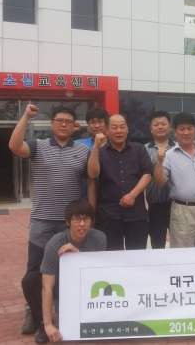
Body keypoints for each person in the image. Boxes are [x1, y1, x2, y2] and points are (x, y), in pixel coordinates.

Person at [9, 105, 93, 336]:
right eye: (59, 120)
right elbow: (15, 146)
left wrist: (89, 215)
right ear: (52, 123)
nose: (63, 124)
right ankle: (33, 313)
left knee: (69, 268)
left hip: (70, 223)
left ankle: (64, 311)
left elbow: (90, 182)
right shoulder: (39, 146)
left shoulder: (83, 151)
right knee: (35, 272)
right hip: (42, 221)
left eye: (68, 121)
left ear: (74, 126)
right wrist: (26, 116)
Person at [23, 200, 106, 344]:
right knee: (30, 280)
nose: (82, 224)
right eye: (77, 219)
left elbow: (98, 273)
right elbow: (47, 286)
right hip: (61, 286)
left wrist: (78, 254)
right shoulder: (54, 244)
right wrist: (48, 324)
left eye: (86, 219)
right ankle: (43, 324)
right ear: (68, 222)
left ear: (91, 221)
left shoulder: (99, 238)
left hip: (87, 287)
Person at [87, 114, 153, 250]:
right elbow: (93, 173)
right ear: (107, 130)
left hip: (136, 214)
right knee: (111, 257)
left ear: (127, 129)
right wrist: (96, 147)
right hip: (108, 215)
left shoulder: (139, 149)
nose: (119, 131)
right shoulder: (101, 151)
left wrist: (133, 195)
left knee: (136, 256)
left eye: (122, 127)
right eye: (114, 127)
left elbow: (147, 174)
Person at [154, 112, 195, 248]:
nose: (186, 132)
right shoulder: (169, 155)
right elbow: (160, 182)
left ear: (194, 130)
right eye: (182, 129)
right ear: (175, 132)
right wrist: (159, 162)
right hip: (182, 210)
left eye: (190, 128)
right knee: (182, 253)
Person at [144, 111, 175, 249]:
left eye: (163, 124)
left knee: (179, 243)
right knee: (157, 244)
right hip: (154, 205)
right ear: (151, 129)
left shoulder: (179, 148)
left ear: (170, 127)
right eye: (156, 124)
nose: (160, 127)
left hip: (176, 205)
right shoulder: (144, 150)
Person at [75, 107, 109, 205]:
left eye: (100, 121)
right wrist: (71, 130)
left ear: (107, 124)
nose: (97, 125)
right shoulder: (79, 145)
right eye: (92, 122)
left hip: (110, 201)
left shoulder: (115, 145)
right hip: (84, 199)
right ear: (88, 126)